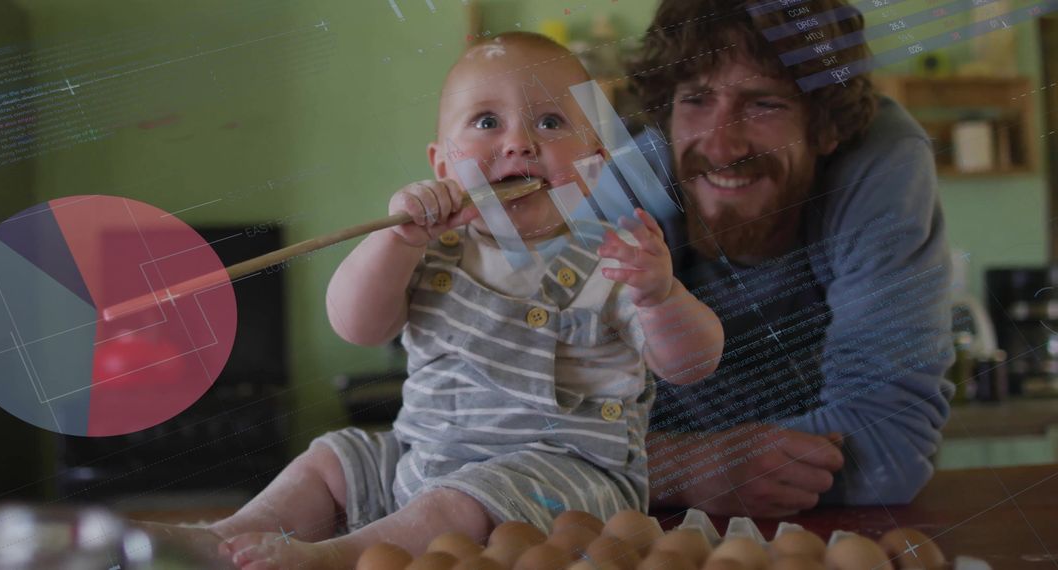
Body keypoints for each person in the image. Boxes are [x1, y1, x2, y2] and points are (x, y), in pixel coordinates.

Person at [201, 32, 724, 569]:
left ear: (592, 165)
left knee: (460, 500)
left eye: (550, 122)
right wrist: (393, 239)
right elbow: (356, 325)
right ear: (443, 166)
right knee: (335, 457)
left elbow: (694, 363)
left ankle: (337, 557)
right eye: (486, 122)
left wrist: (660, 297)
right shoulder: (427, 250)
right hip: (422, 460)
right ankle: (222, 538)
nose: (519, 142)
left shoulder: (617, 261)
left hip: (562, 483)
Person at [630, 0, 955, 517]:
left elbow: (888, 448)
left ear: (827, 127)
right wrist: (690, 470)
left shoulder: (879, 162)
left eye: (764, 104)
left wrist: (654, 466)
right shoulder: (628, 175)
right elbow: (515, 435)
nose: (721, 144)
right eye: (695, 99)